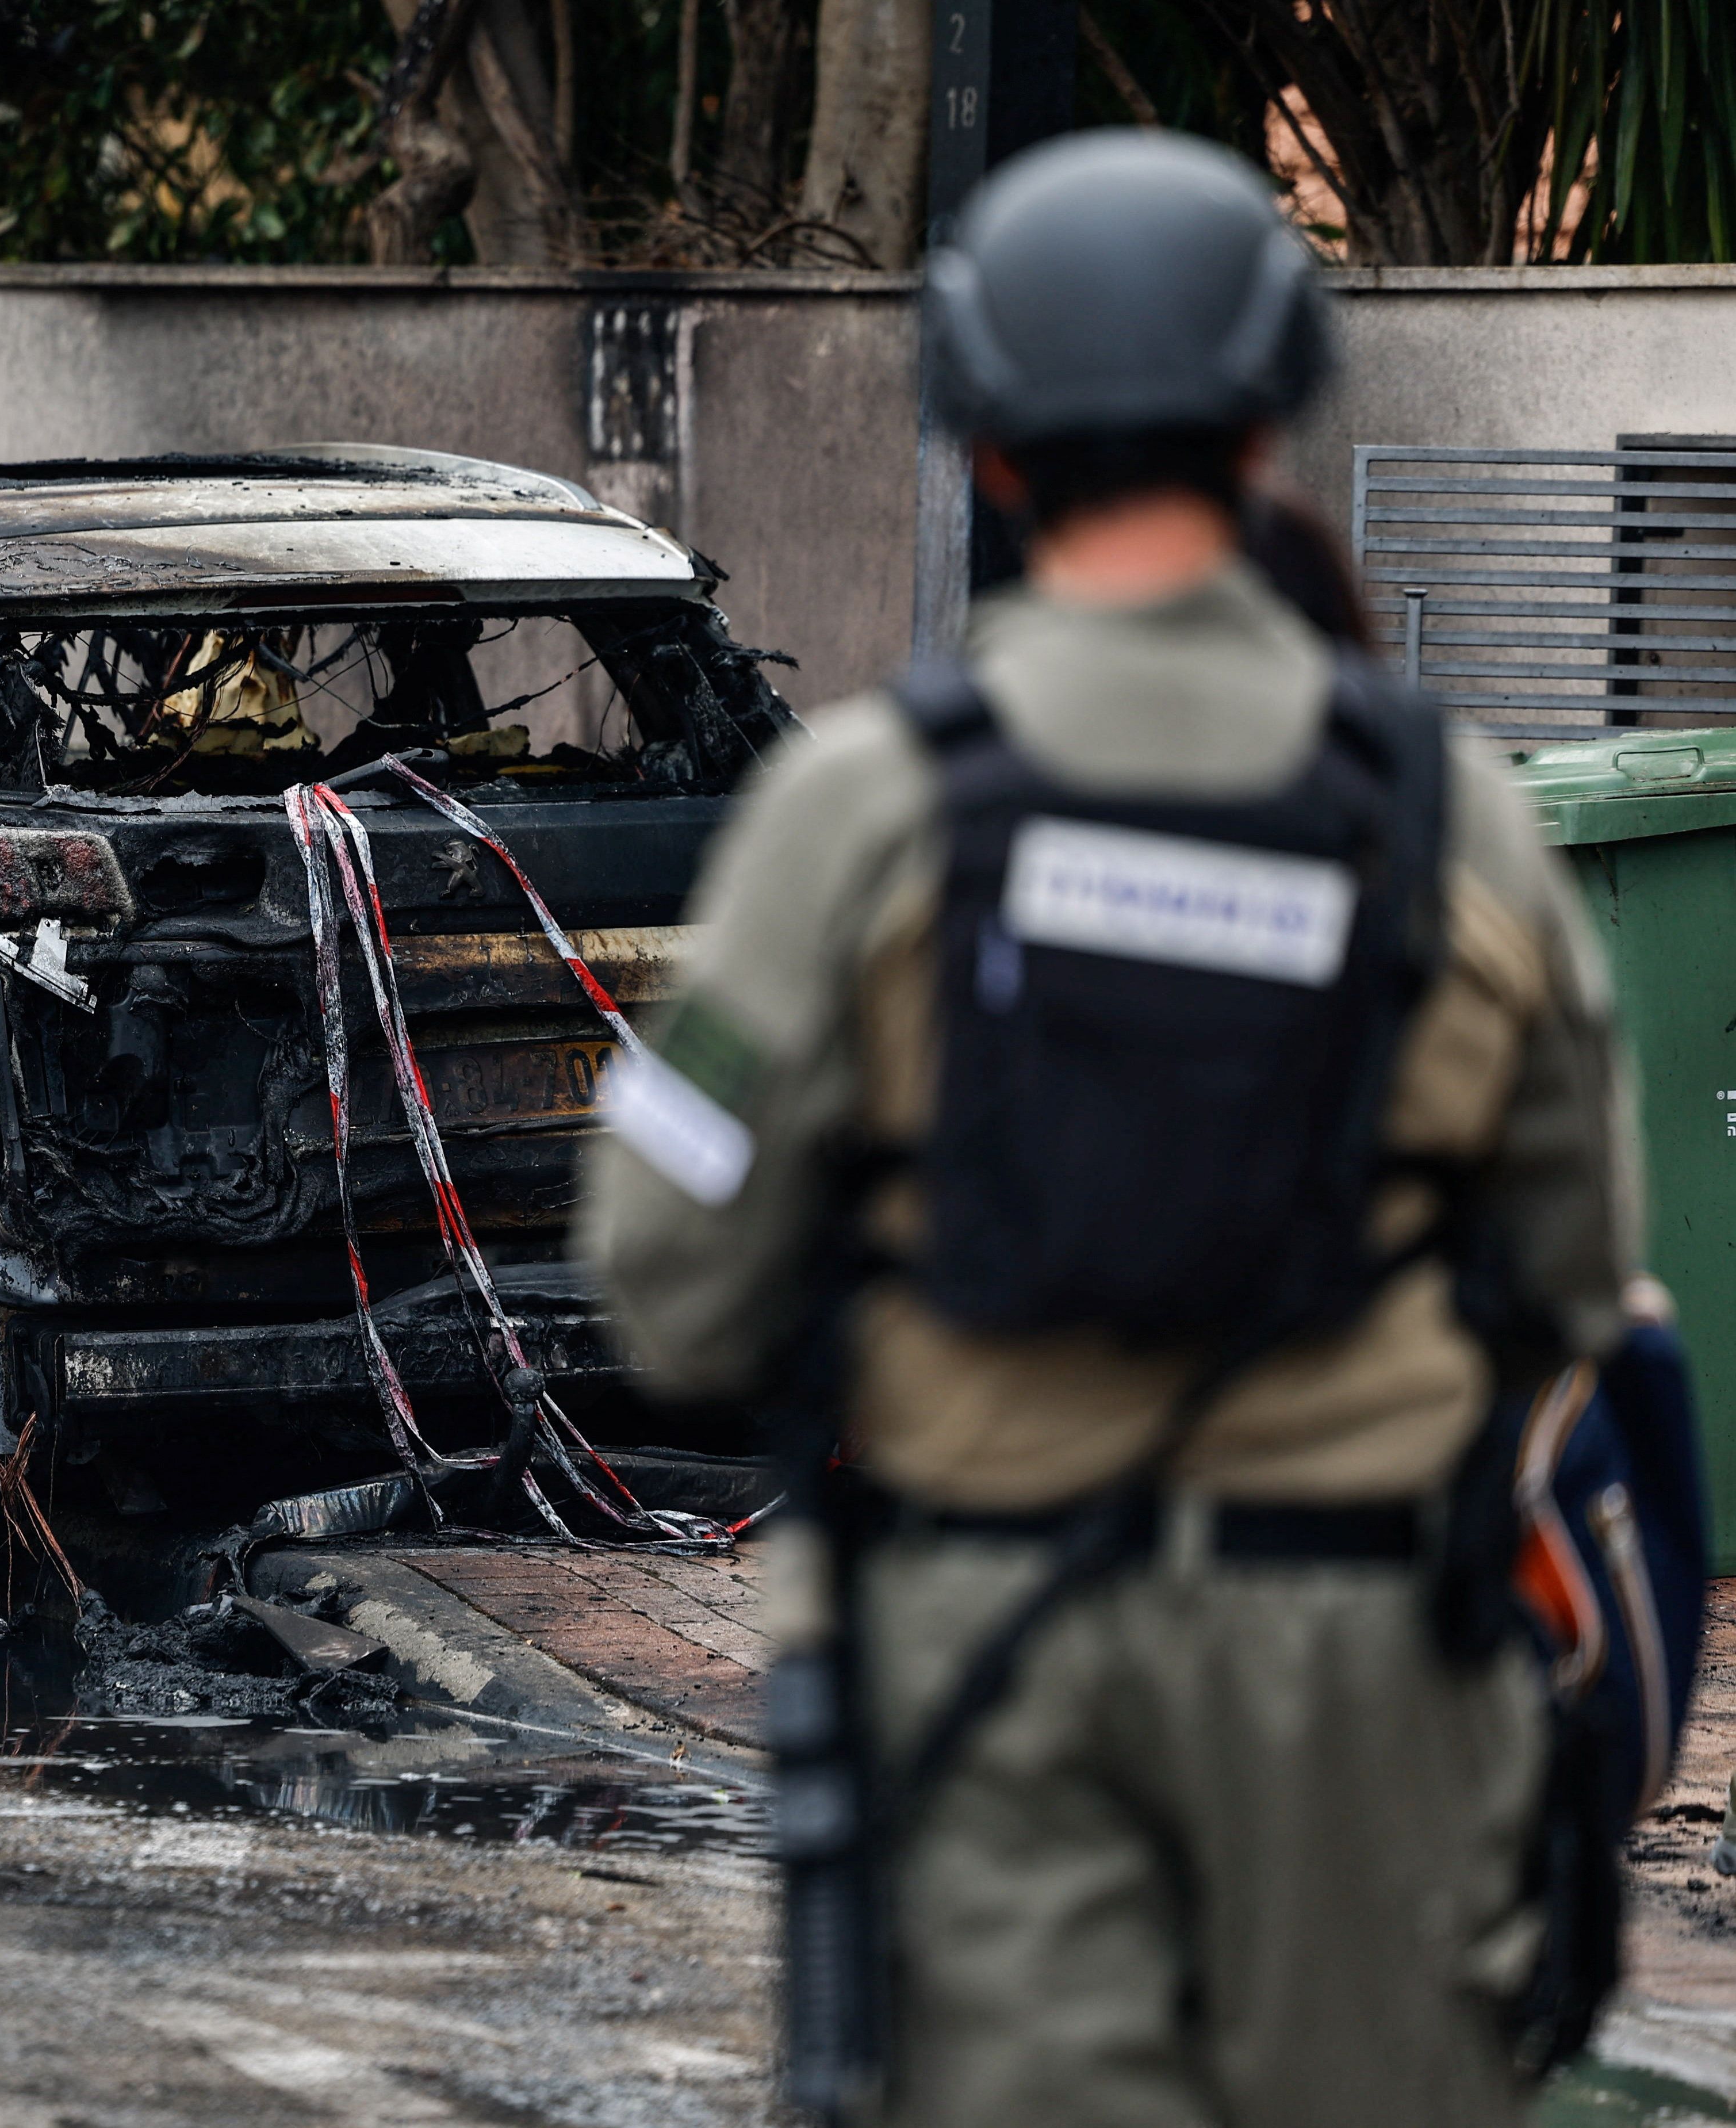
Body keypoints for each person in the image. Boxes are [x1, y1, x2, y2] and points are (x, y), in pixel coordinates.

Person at [580, 129, 1640, 2128]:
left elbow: (668, 1269)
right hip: (1368, 1673)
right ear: (1268, 438)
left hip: (996, 1666)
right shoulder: (1447, 818)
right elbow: (1580, 1278)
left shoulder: (861, 814)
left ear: (990, 454)